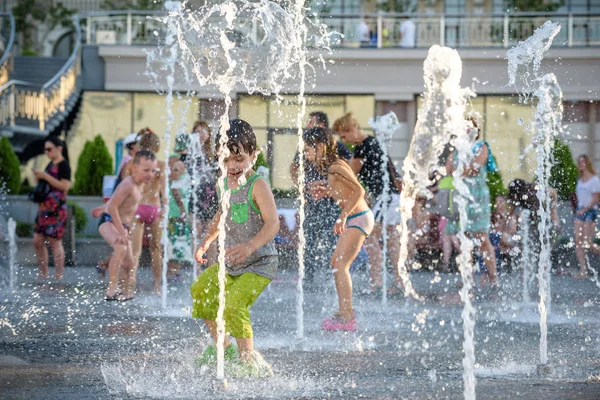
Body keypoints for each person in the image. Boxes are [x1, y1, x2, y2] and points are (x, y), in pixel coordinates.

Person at [191, 119, 279, 374]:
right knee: (201, 290)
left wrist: (251, 246)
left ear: (254, 154)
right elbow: (222, 215)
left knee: (233, 305)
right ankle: (224, 347)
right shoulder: (223, 183)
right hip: (231, 263)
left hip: (259, 263)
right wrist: (207, 240)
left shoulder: (258, 185)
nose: (232, 166)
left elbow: (273, 223)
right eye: (226, 159)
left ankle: (248, 359)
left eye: (239, 159)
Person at [304, 127, 373, 331]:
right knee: (337, 263)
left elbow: (359, 190)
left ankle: (347, 315)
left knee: (340, 264)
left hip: (358, 218)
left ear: (321, 147)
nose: (307, 155)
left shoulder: (335, 166)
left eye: (308, 150)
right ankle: (345, 311)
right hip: (356, 217)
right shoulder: (333, 167)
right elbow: (345, 190)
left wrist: (342, 217)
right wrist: (327, 191)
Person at [333, 112, 403, 294]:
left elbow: (350, 175)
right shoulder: (373, 142)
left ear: (352, 129)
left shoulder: (363, 147)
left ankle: (377, 282)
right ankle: (398, 281)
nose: (345, 140)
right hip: (393, 197)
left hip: (385, 198)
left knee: (370, 238)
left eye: (344, 136)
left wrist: (329, 184)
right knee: (392, 240)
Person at [290, 111, 352, 281]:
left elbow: (350, 170)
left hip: (333, 201)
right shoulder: (306, 146)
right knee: (309, 236)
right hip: (311, 200)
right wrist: (301, 187)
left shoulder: (337, 147)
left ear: (322, 126)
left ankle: (330, 273)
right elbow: (294, 167)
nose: (308, 126)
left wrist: (331, 186)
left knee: (332, 237)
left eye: (312, 123)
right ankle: (308, 274)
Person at [93, 150, 157, 301]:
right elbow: (114, 207)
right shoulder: (127, 184)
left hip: (121, 225)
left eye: (153, 170)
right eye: (146, 170)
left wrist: (102, 207)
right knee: (120, 248)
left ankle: (126, 292)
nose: (150, 174)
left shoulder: (140, 185)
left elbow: (114, 199)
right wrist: (121, 231)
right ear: (134, 168)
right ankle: (111, 289)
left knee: (129, 262)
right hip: (109, 222)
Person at [444, 118, 498, 286]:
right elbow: (448, 169)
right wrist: (460, 171)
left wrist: (459, 171)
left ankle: (493, 275)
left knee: (482, 237)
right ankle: (468, 278)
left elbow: (475, 167)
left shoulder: (482, 146)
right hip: (461, 198)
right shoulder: (457, 150)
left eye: (470, 128)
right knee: (463, 238)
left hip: (477, 198)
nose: (466, 130)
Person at [127, 129, 167, 295]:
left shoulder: (134, 165)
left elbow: (128, 188)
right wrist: (165, 207)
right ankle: (158, 287)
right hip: (154, 209)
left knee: (135, 251)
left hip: (137, 207)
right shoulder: (161, 165)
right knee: (156, 250)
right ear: (157, 148)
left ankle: (130, 288)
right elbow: (165, 192)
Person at [32, 137, 71, 281]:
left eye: (49, 149)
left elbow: (65, 186)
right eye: (45, 150)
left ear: (59, 148)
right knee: (37, 240)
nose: (46, 152)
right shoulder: (50, 164)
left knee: (54, 242)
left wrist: (45, 176)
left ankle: (58, 276)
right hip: (43, 208)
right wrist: (39, 177)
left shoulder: (64, 165)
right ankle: (43, 274)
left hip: (56, 209)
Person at [185, 121, 219, 270]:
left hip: (212, 198)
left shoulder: (214, 154)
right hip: (196, 197)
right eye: (197, 131)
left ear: (208, 134)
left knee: (212, 237)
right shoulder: (189, 154)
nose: (200, 134)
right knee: (196, 234)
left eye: (203, 131)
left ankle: (212, 270)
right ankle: (197, 272)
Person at [573, 154, 600, 278]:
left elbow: (596, 199)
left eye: (583, 162)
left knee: (588, 243)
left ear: (588, 163)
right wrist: (580, 208)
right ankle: (583, 270)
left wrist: (584, 209)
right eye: (579, 162)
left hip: (590, 211)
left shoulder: (594, 180)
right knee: (578, 241)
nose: (580, 164)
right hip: (580, 211)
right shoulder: (580, 179)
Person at [166, 155, 192, 280]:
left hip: (180, 215)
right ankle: (171, 271)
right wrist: (183, 211)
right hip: (175, 215)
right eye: (175, 166)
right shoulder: (174, 179)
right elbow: (177, 195)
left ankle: (175, 271)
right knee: (174, 242)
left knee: (180, 242)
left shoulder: (184, 178)